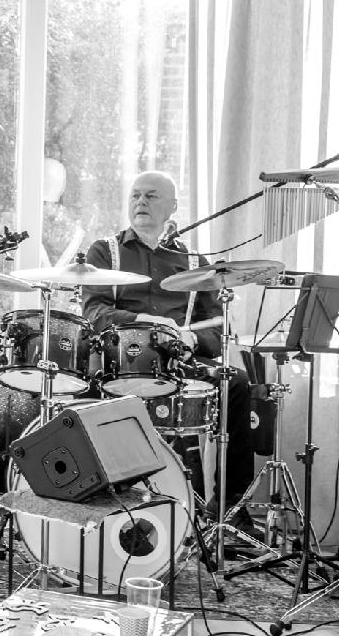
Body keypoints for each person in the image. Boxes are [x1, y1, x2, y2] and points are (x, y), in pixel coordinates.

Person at [82, 170, 255, 530]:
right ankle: (100, 497)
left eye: (151, 196)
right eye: (135, 195)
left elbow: (218, 327)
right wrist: (142, 319)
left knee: (236, 383)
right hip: (120, 361)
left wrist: (193, 340)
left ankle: (230, 507)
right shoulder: (105, 251)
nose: (140, 202)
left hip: (178, 361)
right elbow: (94, 312)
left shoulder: (195, 263)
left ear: (173, 207)